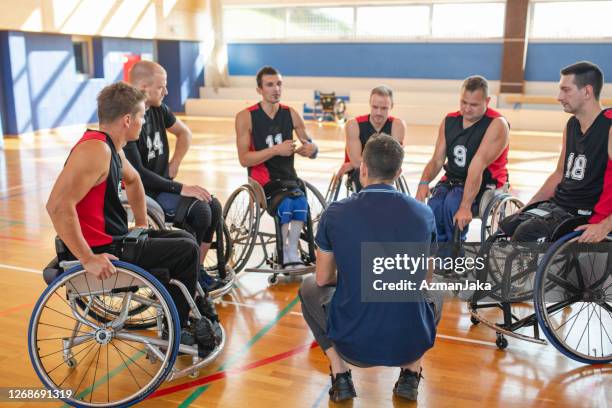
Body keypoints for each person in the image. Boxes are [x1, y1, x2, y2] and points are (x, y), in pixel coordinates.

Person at [46, 82, 204, 345]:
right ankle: (177, 327)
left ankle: (175, 316)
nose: (144, 122)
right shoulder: (95, 150)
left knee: (185, 240)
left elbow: (134, 181)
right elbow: (57, 206)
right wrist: (87, 258)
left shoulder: (111, 148)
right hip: (100, 249)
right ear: (128, 120)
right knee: (186, 251)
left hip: (113, 239)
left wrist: (141, 223)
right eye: (142, 116)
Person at [299, 135, 442, 402]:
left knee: (308, 286)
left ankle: (340, 374)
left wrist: (357, 273)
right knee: (436, 294)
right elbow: (425, 279)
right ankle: (411, 373)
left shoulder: (335, 212)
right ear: (399, 172)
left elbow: (322, 278)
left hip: (352, 345)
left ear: (363, 168)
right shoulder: (424, 214)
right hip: (407, 344)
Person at [123, 61, 225, 290]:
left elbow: (184, 133)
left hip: (162, 185)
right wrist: (180, 188)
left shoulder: (159, 109)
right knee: (199, 211)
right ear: (143, 87)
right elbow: (137, 174)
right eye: (162, 87)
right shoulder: (128, 119)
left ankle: (194, 271)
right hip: (142, 191)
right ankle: (190, 273)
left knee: (213, 205)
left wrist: (174, 164)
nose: (166, 92)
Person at [499, 61, 612, 243]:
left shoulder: (609, 127)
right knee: (507, 226)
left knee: (525, 234)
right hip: (560, 207)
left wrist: (604, 226)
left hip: (586, 214)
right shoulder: (572, 125)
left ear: (587, 92)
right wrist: (528, 207)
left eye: (566, 90)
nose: (559, 96)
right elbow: (559, 174)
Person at [235, 66, 319, 267]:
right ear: (259, 89)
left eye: (279, 84)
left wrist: (311, 149)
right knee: (287, 205)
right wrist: (275, 150)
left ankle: (291, 252)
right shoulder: (246, 116)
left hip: (288, 178)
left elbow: (310, 144)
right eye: (270, 85)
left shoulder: (291, 113)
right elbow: (244, 159)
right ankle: (281, 253)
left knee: (300, 204)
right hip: (262, 181)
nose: (276, 89)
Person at [415, 75, 510, 242]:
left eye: (473, 105)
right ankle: (439, 252)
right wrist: (424, 182)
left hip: (484, 182)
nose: (467, 109)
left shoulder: (497, 124)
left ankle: (455, 253)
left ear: (487, 101)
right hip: (453, 179)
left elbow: (477, 166)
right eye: (463, 102)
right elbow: (437, 159)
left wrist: (466, 206)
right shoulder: (450, 120)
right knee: (434, 206)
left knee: (453, 205)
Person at [337, 85, 406, 191]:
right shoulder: (353, 124)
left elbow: (395, 162)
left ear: (391, 106)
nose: (378, 112)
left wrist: (359, 162)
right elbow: (356, 163)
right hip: (362, 172)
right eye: (375, 107)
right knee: (361, 172)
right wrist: (356, 163)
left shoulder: (398, 125)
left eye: (384, 108)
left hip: (385, 173)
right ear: (370, 104)